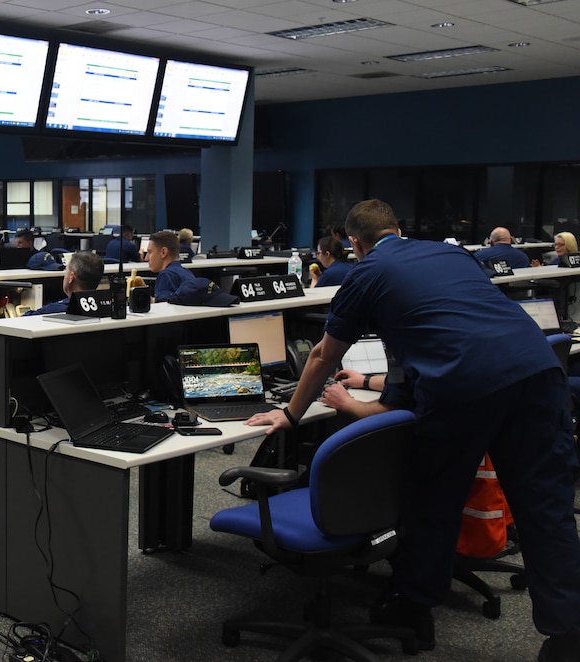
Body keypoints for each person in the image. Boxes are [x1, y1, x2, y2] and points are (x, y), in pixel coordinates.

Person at [245, 199, 580, 659]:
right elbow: (443, 328)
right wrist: (379, 386)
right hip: (538, 370)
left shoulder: (366, 272)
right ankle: (568, 635)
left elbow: (323, 354)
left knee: (434, 500)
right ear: (398, 230)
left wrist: (291, 414)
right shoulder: (450, 254)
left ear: (354, 246)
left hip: (465, 386)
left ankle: (415, 610)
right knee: (546, 508)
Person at [24, 252, 104, 316]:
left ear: (71, 277)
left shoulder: (52, 310)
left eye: (66, 270)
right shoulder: (105, 307)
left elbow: (22, 321)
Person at [146, 230, 195, 301]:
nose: (146, 258)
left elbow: (164, 308)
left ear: (163, 252)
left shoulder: (166, 275)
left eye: (149, 252)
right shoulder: (187, 273)